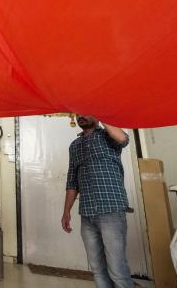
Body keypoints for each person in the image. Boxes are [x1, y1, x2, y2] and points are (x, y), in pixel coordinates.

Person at [61, 115, 133, 288]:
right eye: (78, 114)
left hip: (111, 210)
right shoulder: (75, 146)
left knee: (117, 269)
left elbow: (123, 139)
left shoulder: (108, 136)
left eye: (86, 112)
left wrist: (100, 112)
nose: (81, 116)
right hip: (87, 214)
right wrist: (66, 212)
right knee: (97, 268)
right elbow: (72, 181)